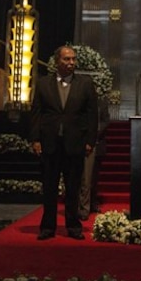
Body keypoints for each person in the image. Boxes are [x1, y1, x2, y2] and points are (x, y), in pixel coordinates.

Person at [30, 46, 99, 240]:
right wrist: (35, 139)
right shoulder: (43, 84)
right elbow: (36, 113)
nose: (71, 63)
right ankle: (48, 227)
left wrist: (90, 141)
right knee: (49, 187)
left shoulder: (85, 84)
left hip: (74, 144)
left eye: (73, 60)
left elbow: (92, 116)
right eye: (67, 59)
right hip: (49, 144)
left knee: (73, 187)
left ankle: (73, 226)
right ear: (57, 61)